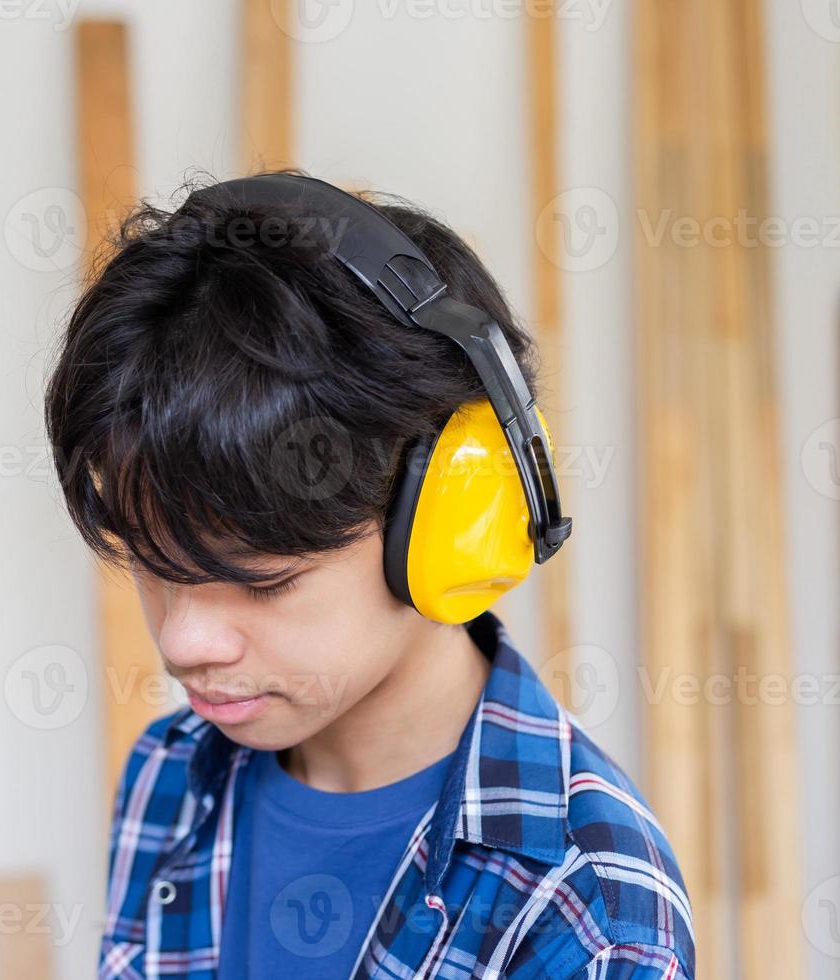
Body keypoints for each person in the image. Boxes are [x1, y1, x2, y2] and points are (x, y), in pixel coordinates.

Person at [43, 173, 694, 979]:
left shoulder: (587, 909)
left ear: (447, 522)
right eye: (151, 564)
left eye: (261, 580)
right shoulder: (170, 775)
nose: (183, 640)